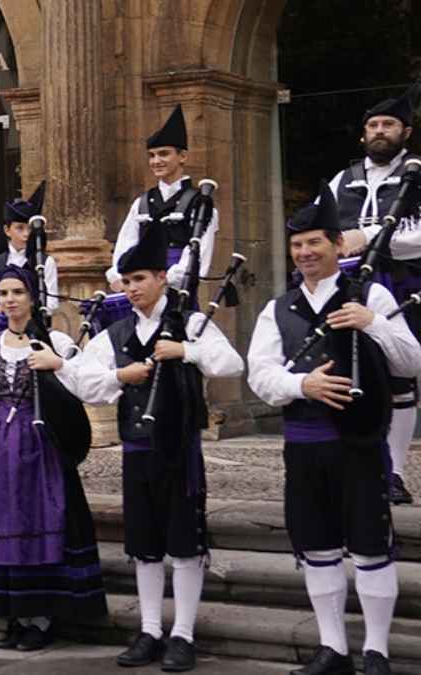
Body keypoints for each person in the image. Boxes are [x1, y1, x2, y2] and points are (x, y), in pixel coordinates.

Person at [247, 184, 421, 675]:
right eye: (297, 245)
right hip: (304, 448)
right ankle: (333, 649)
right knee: (318, 547)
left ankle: (377, 651)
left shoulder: (373, 294)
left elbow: (413, 360)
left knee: (369, 546)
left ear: (338, 246)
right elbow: (259, 374)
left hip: (360, 445)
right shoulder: (278, 308)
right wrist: (304, 384)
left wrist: (373, 324)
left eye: (315, 243)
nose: (305, 253)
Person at [66, 224, 244, 672]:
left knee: (184, 544)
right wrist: (117, 378)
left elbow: (231, 363)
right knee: (143, 544)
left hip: (179, 450)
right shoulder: (117, 330)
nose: (131, 289)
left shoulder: (190, 321)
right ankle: (149, 630)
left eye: (139, 279)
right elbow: (81, 378)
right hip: (136, 450)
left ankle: (182, 635)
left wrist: (186, 351)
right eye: (126, 282)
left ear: (162, 277)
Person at [0, 264, 107, 651]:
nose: (10, 300)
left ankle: (41, 619)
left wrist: (58, 364)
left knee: (39, 526)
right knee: (3, 528)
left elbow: (81, 382)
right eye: (4, 293)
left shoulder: (54, 340)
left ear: (32, 298)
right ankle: (15, 614)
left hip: (42, 447)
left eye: (18, 293)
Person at [325, 86, 421, 504]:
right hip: (349, 285)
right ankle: (354, 465)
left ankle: (395, 473)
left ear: (406, 131)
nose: (380, 131)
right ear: (363, 134)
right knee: (346, 371)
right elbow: (320, 226)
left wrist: (365, 236)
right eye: (373, 125)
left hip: (402, 281)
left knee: (400, 377)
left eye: (389, 125)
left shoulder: (418, 175)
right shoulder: (342, 179)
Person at [106, 104, 218, 294]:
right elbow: (124, 248)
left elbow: (198, 260)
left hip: (177, 295)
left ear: (182, 156)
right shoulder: (141, 203)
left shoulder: (200, 204)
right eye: (152, 155)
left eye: (164, 154)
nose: (156, 161)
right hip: (139, 292)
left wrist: (161, 281)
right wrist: (120, 277)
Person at [0, 182, 60, 313]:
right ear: (7, 230)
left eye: (30, 228)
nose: (26, 234)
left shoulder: (45, 262)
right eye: (20, 228)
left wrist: (25, 309)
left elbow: (52, 303)